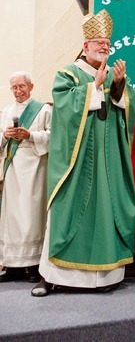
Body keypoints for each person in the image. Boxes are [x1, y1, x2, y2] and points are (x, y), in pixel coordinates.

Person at [31, 9, 135, 297]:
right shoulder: (68, 73)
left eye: (107, 43)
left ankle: (104, 278)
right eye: (98, 43)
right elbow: (64, 107)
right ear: (86, 45)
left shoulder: (113, 73)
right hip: (76, 160)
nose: (104, 47)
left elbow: (129, 109)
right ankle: (52, 276)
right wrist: (94, 87)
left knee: (107, 207)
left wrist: (118, 87)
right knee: (67, 208)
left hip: (107, 159)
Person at [0, 71, 52, 282]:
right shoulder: (6, 111)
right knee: (12, 217)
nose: (18, 91)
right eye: (14, 87)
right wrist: (5, 135)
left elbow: (54, 136)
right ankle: (13, 267)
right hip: (12, 168)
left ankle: (33, 266)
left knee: (31, 215)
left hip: (35, 167)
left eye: (22, 86)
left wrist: (30, 135)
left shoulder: (44, 109)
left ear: (31, 87)